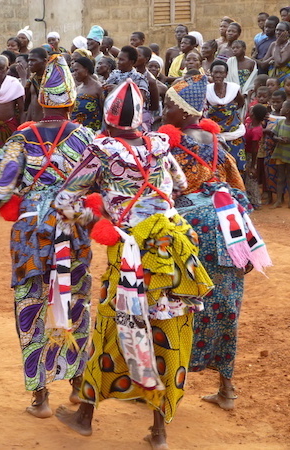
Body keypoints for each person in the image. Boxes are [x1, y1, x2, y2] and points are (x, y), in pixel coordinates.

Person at [53, 79, 212, 448]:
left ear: (107, 117)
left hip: (131, 249)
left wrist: (99, 220)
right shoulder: (159, 144)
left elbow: (64, 200)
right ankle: (158, 430)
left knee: (115, 321)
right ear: (141, 117)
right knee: (167, 327)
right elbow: (181, 182)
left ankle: (85, 416)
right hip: (172, 243)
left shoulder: (102, 148)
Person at [160, 74, 271, 412]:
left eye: (168, 106)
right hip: (227, 232)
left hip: (187, 233)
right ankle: (226, 389)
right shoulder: (216, 145)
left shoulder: (165, 145)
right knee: (223, 307)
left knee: (174, 306)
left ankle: (161, 391)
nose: (163, 111)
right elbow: (240, 193)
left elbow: (160, 193)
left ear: (183, 113)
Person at [0, 54, 94, 419]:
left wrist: (30, 200)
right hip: (72, 230)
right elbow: (97, 189)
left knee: (31, 305)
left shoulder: (21, 139)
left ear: (41, 100)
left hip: (31, 235)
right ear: (71, 101)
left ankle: (40, 399)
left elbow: (1, 193)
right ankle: (79, 384)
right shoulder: (87, 139)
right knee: (75, 302)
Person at [0, 55, 24, 175]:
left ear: (7, 68)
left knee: (9, 160)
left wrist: (20, 131)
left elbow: (22, 110)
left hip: (8, 127)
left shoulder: (15, 85)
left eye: (1, 69)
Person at [205, 60, 247, 172]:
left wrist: (230, 114)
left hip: (234, 131)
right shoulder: (207, 90)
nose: (218, 75)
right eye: (215, 72)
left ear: (226, 74)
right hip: (215, 132)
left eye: (221, 73)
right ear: (211, 73)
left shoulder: (234, 89)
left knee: (236, 160)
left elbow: (241, 102)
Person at [268, 99, 290, 209]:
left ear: (287, 111)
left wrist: (289, 141)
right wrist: (279, 139)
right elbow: (273, 135)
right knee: (281, 177)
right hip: (281, 153)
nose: (280, 109)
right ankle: (278, 200)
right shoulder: (280, 122)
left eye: (282, 107)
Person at [71, 57, 103, 131]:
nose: (74, 74)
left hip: (94, 132)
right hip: (78, 131)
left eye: (76, 70)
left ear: (86, 69)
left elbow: (104, 111)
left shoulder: (98, 88)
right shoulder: (78, 89)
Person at [261, 21, 290, 86]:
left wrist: (277, 45)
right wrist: (273, 57)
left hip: (286, 80)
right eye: (277, 30)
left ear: (288, 32)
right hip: (272, 79)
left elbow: (279, 63)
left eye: (281, 31)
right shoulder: (273, 44)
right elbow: (263, 64)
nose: (278, 33)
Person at [24, 47, 48, 122]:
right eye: (29, 60)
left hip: (46, 124)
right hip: (32, 123)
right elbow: (30, 104)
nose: (30, 63)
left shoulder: (50, 81)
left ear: (44, 61)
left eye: (33, 60)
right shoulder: (33, 79)